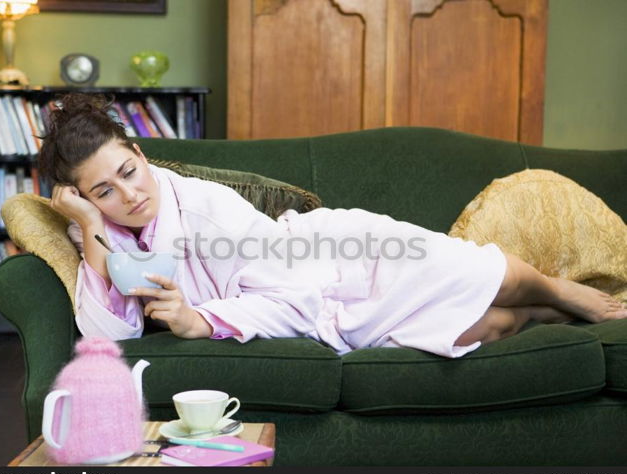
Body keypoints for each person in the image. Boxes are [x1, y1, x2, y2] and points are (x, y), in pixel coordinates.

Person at [39, 93, 627, 359]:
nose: (130, 195)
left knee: (476, 270)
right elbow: (106, 338)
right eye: (103, 191)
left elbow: (290, 298)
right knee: (483, 329)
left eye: (129, 171)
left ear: (141, 154)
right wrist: (90, 227)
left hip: (336, 258)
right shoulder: (102, 232)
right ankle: (549, 315)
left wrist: (200, 320)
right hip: (321, 303)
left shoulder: (203, 210)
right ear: (83, 199)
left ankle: (563, 291)